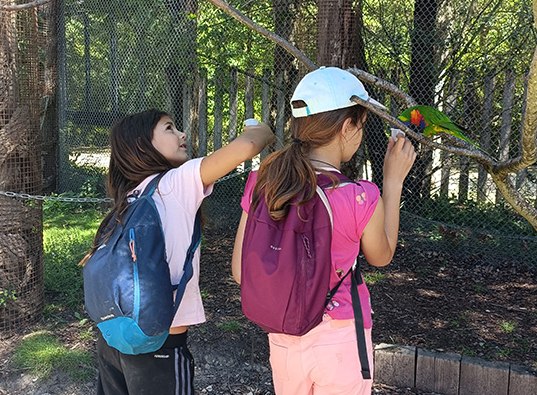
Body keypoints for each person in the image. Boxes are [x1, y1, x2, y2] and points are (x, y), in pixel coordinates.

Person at [231, 67, 416, 395]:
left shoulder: (263, 182)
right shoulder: (360, 196)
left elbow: (239, 271)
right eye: (360, 124)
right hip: (340, 341)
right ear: (348, 127)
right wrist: (393, 181)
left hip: (283, 338)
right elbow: (382, 255)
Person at [82, 109, 274, 395]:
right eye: (170, 128)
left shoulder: (130, 196)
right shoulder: (175, 183)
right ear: (141, 145)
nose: (182, 134)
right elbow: (247, 146)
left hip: (113, 338)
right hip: (161, 343)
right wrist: (263, 130)